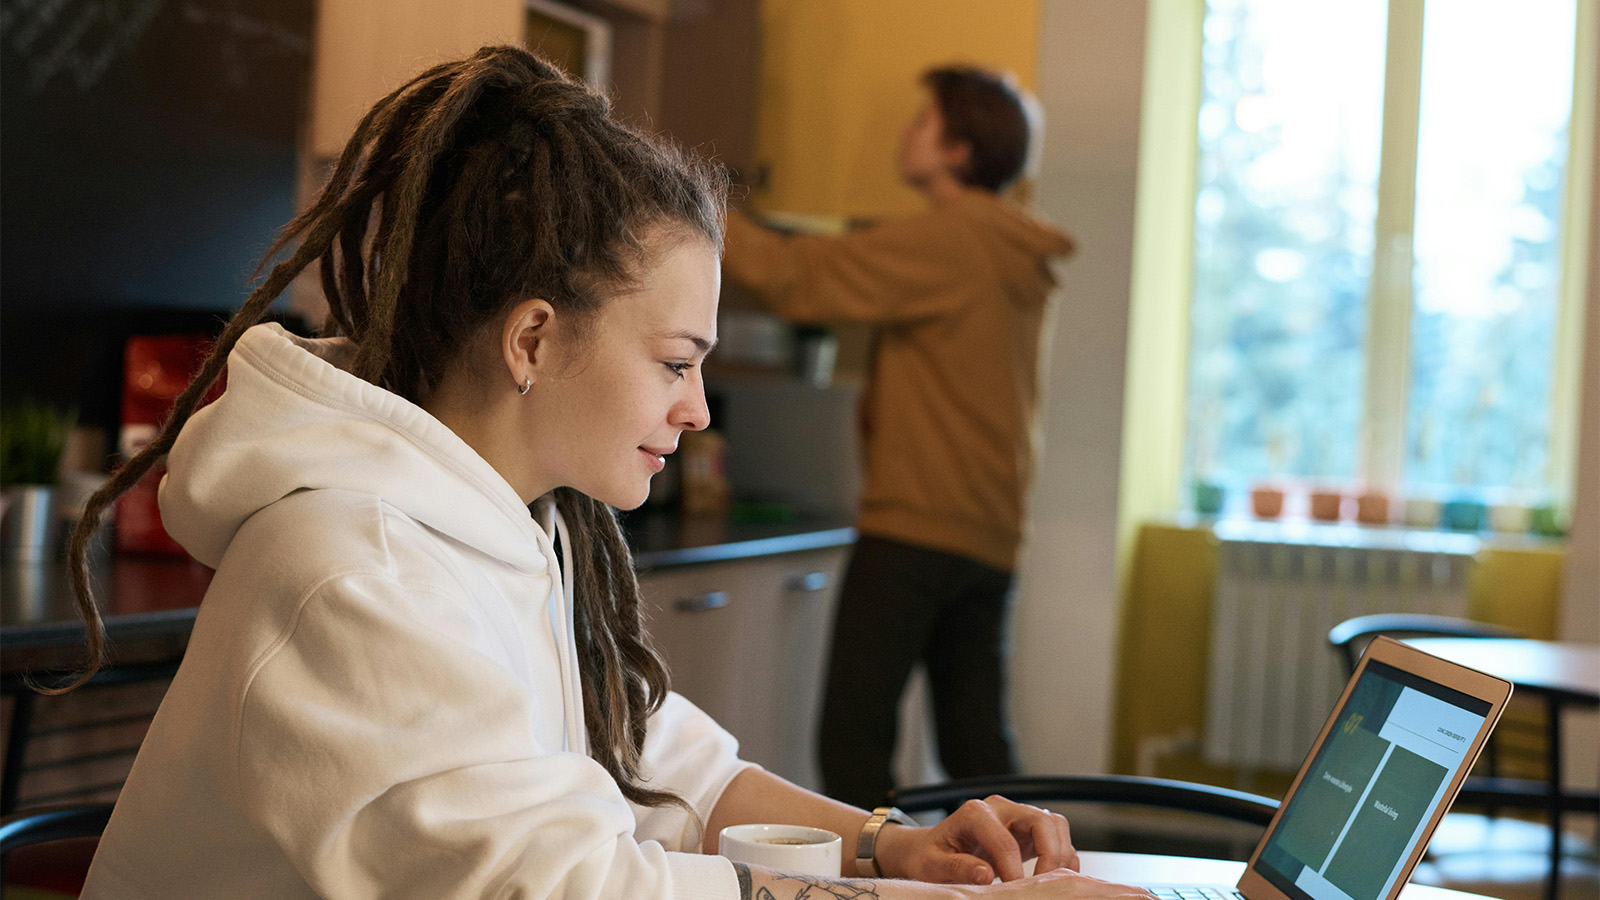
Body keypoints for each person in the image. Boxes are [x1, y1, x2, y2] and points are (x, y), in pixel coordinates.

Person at [56, 47, 1141, 900]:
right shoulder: (358, 572)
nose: (697, 408)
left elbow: (662, 762)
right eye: (674, 362)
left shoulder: (525, 526)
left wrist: (888, 846)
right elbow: (567, 888)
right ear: (532, 340)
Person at [721, 67, 1076, 810]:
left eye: (923, 122)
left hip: (915, 527)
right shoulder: (1009, 245)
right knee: (977, 748)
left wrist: (690, 203)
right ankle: (1030, 867)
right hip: (990, 532)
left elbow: (800, 278)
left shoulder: (955, 237)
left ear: (958, 150)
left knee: (852, 740)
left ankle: (877, 869)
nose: (905, 132)